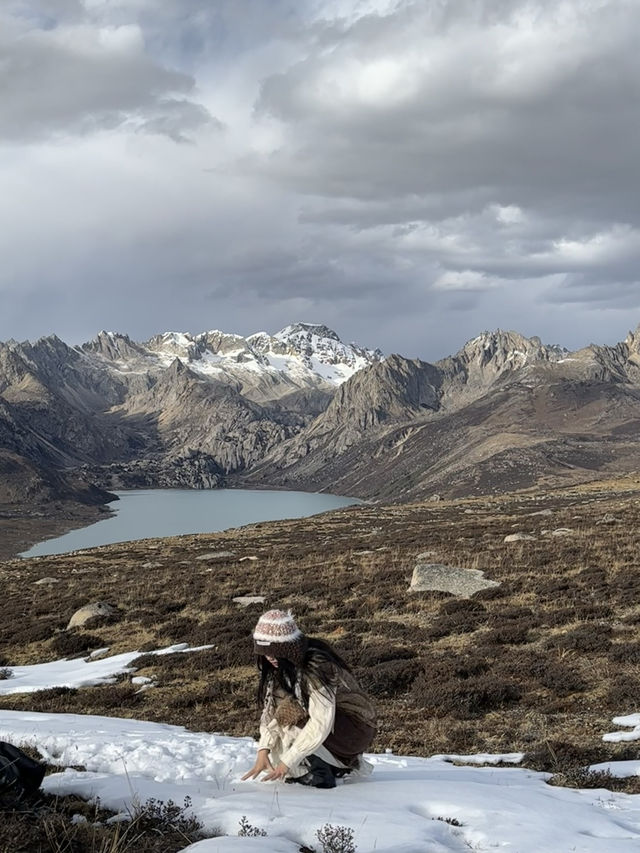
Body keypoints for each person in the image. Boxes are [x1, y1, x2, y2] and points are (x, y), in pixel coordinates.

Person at [241, 609, 377, 788]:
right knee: (277, 748)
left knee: (291, 728)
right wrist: (263, 749)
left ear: (286, 648)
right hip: (334, 729)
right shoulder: (283, 669)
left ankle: (322, 772)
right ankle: (331, 767)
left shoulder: (318, 667)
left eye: (274, 652)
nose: (270, 658)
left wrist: (287, 763)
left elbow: (322, 721)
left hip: (353, 727)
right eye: (265, 653)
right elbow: (272, 711)